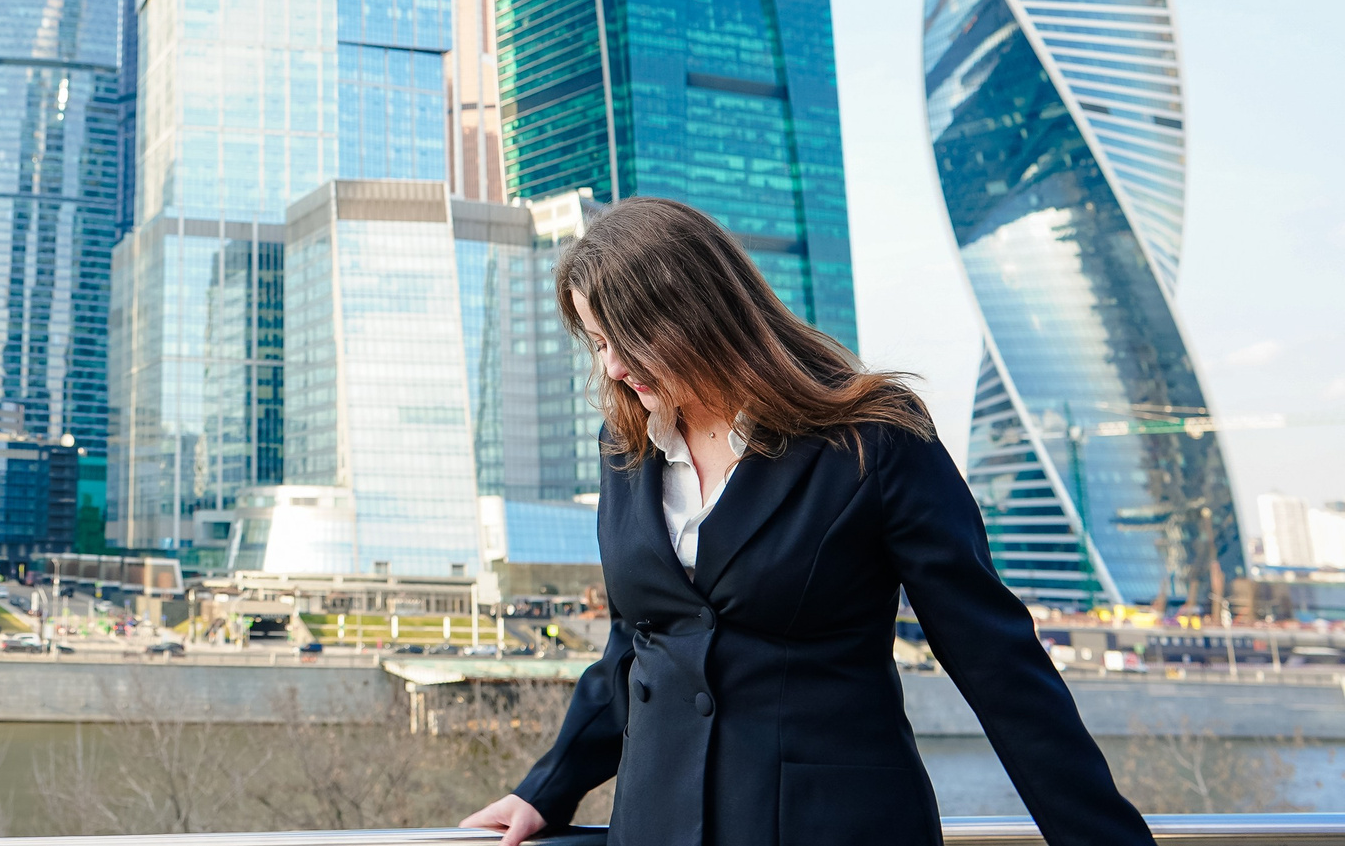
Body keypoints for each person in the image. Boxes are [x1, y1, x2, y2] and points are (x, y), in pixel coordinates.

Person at [460, 198, 1150, 846]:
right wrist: (546, 789)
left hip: (833, 828)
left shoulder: (874, 441)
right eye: (599, 341)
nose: (611, 365)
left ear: (695, 313)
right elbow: (636, 647)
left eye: (627, 338)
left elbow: (997, 662)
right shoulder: (626, 449)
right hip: (656, 826)